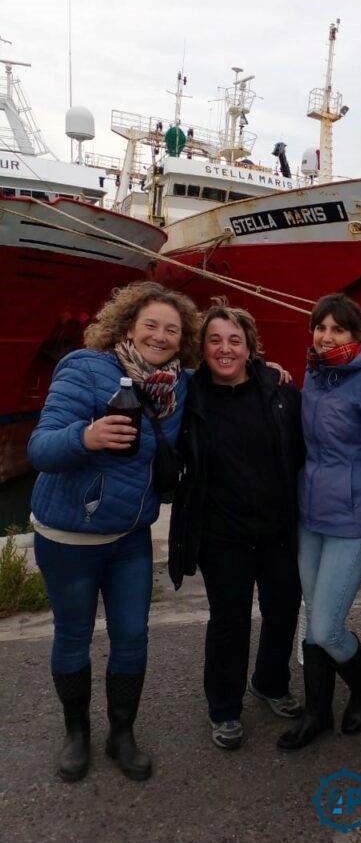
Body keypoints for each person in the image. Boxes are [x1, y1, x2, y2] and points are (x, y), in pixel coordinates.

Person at [28, 282, 199, 782]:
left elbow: (229, 368)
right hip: (69, 537)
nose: (161, 336)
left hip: (129, 537)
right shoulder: (85, 368)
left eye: (172, 329)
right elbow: (40, 448)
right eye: (151, 325)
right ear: (126, 326)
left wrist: (268, 369)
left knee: (131, 636)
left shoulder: (177, 383)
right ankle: (76, 732)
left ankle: (121, 733)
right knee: (73, 635)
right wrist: (87, 437)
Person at [169, 300, 304, 751]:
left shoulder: (278, 389)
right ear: (201, 348)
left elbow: (304, 452)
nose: (225, 350)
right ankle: (224, 707)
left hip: (277, 531)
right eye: (215, 340)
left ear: (250, 347)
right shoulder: (189, 394)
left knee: (283, 610)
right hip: (221, 535)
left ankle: (269, 681)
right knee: (229, 621)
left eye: (234, 341)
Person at [278, 293, 361, 752]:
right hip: (311, 515)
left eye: (337, 329)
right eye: (320, 327)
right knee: (313, 621)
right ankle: (317, 714)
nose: (326, 336)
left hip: (352, 522)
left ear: (355, 334)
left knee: (328, 627)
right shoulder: (315, 374)